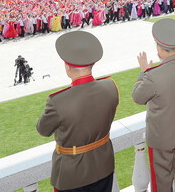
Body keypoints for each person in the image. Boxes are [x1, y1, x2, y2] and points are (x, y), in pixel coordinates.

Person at [36, 31, 119, 192]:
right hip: (104, 164)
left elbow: (43, 130)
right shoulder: (110, 87)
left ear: (67, 66)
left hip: (73, 173)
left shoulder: (58, 101)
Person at [132, 19, 175, 192]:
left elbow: (138, 97)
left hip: (162, 137)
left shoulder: (153, 75)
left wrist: (144, 71)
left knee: (163, 179)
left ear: (159, 48)